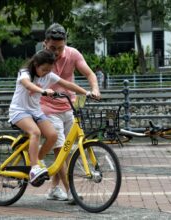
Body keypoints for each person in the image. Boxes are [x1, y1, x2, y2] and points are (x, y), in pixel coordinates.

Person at [8, 49, 90, 186]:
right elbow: (28, 84)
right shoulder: (25, 73)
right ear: (35, 64)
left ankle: (37, 159)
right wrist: (43, 91)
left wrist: (87, 93)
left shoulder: (49, 75)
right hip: (19, 111)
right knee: (35, 132)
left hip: (35, 111)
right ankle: (34, 169)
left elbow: (68, 84)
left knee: (53, 136)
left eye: (49, 70)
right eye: (44, 69)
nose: (46, 73)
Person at [41, 23, 101, 202]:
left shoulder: (73, 54)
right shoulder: (41, 58)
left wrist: (95, 88)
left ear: (65, 44)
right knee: (61, 150)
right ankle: (71, 191)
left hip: (70, 107)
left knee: (66, 151)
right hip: (48, 108)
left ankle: (53, 188)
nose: (56, 53)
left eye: (60, 48)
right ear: (45, 43)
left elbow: (90, 74)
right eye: (52, 48)